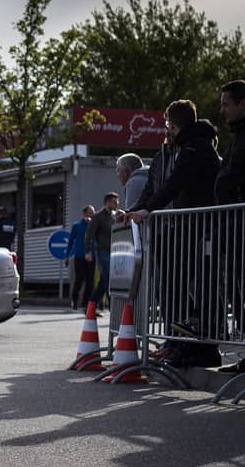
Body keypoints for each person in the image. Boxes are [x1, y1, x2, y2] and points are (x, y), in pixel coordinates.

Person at [126, 100, 222, 368]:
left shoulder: (194, 147)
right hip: (183, 227)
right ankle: (180, 342)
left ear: (174, 123)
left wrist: (148, 209)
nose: (166, 129)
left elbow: (175, 184)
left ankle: (195, 344)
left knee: (186, 287)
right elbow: (160, 187)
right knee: (172, 287)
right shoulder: (182, 148)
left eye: (168, 123)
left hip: (196, 226)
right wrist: (138, 209)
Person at [215, 80, 245, 373]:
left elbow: (232, 174)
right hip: (233, 223)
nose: (222, 110)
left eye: (226, 104)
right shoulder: (236, 136)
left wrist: (222, 186)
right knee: (237, 288)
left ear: (242, 104)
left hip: (239, 221)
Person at [84, 192, 119, 314]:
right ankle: (113, 308)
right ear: (107, 202)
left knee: (103, 281)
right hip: (102, 252)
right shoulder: (98, 217)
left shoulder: (115, 216)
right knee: (109, 278)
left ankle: (90, 307)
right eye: (114, 202)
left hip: (114, 252)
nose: (117, 203)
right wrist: (88, 251)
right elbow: (89, 235)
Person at [65, 205, 95, 310]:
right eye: (90, 213)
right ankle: (74, 300)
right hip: (79, 256)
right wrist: (67, 256)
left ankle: (86, 303)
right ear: (84, 213)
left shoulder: (94, 225)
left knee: (90, 280)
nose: (92, 215)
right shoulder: (77, 226)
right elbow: (70, 241)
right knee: (79, 278)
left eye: (93, 213)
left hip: (91, 256)